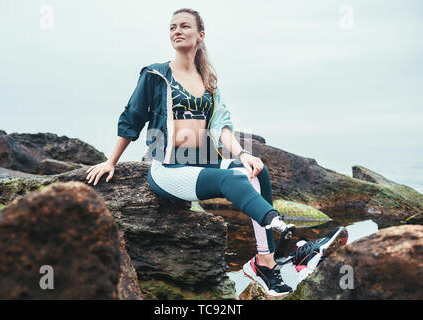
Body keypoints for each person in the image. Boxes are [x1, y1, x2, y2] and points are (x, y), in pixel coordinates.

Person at [85, 8, 346, 297]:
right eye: (172, 27)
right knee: (231, 181)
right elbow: (132, 117)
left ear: (200, 35)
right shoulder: (155, 74)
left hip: (204, 164)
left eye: (184, 26)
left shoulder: (209, 80)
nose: (177, 31)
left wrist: (243, 154)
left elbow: (221, 125)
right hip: (168, 171)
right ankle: (283, 230)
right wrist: (110, 161)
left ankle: (265, 263)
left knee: (256, 171)